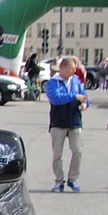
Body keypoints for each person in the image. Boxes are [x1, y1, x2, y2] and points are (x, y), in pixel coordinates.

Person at [45, 56, 88, 192]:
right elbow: (55, 98)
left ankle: (73, 179)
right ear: (63, 68)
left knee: (77, 151)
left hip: (74, 121)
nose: (73, 72)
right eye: (71, 69)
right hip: (58, 122)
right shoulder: (53, 82)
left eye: (75, 69)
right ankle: (59, 180)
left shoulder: (76, 81)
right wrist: (73, 97)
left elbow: (84, 96)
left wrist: (85, 104)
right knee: (57, 154)